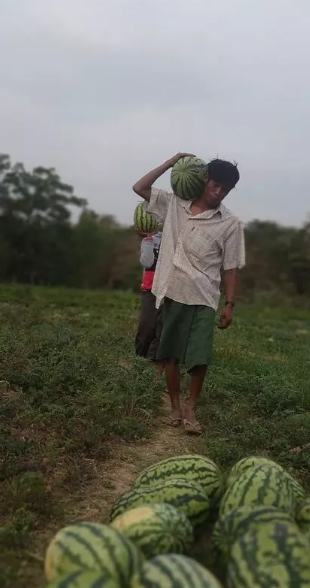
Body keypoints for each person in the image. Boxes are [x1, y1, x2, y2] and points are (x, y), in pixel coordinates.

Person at [132, 152, 245, 435]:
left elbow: (231, 267)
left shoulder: (230, 223)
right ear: (205, 178)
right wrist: (171, 163)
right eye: (215, 185)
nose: (219, 192)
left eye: (225, 189)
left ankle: (191, 406)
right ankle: (174, 407)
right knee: (169, 354)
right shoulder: (174, 205)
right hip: (172, 289)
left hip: (204, 296)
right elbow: (139, 188)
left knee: (199, 356)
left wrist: (230, 303)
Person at [134, 225, 165, 381]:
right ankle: (139, 359)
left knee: (162, 328)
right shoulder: (152, 240)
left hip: (168, 290)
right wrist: (147, 240)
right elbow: (147, 262)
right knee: (147, 326)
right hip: (151, 289)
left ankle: (154, 362)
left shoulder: (178, 241)